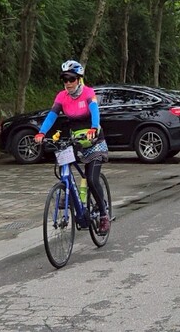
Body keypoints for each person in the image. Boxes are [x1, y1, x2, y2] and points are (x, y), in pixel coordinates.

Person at [34, 60, 110, 233]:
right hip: (75, 140)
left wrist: (93, 128)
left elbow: (95, 113)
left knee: (91, 179)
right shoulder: (62, 96)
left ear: (79, 79)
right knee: (63, 162)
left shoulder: (88, 93)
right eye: (65, 79)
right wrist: (41, 132)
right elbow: (52, 116)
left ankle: (104, 215)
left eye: (71, 79)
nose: (68, 83)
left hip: (94, 141)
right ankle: (68, 191)